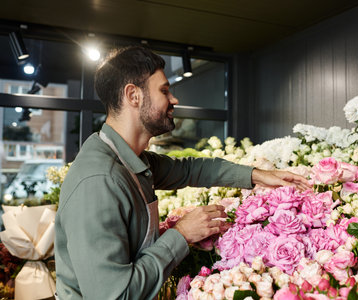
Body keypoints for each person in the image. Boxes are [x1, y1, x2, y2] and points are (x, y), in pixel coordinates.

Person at [54, 46, 310, 299]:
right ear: (133, 95)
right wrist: (181, 235)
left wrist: (257, 175)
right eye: (164, 90)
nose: (173, 100)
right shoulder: (100, 181)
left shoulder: (128, 159)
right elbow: (115, 295)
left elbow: (189, 169)